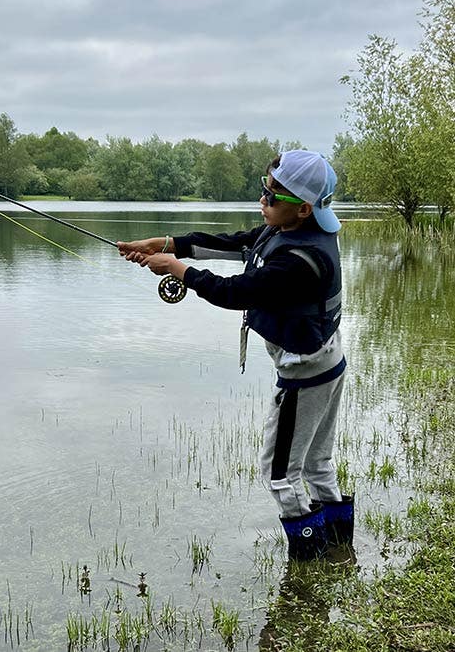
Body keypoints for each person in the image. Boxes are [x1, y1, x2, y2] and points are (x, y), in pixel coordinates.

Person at [117, 150, 354, 561]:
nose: (263, 200)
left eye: (272, 196)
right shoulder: (287, 233)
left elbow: (234, 292)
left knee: (279, 474)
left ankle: (309, 559)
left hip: (306, 374)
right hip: (328, 365)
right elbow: (234, 246)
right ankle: (338, 551)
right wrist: (167, 244)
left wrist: (176, 270)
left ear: (302, 209)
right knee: (316, 462)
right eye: (264, 189)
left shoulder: (302, 261)